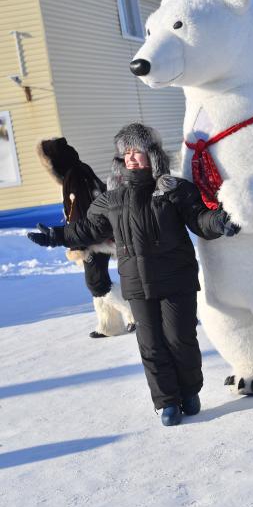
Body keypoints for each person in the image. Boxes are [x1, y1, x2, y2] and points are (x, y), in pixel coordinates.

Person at [29, 124, 239, 426]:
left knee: (180, 340)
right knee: (150, 345)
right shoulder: (112, 199)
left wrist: (219, 221)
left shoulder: (173, 189)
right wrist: (57, 236)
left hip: (175, 278)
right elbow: (88, 229)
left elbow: (199, 220)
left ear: (151, 154)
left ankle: (189, 391)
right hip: (137, 283)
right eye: (125, 153)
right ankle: (166, 402)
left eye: (136, 151)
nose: (131, 158)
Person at [37, 137, 135, 338]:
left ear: (55, 162)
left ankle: (134, 314)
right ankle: (109, 325)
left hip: (93, 239)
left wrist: (77, 242)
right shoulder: (79, 170)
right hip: (94, 236)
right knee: (97, 280)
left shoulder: (73, 176)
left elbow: (80, 211)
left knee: (96, 282)